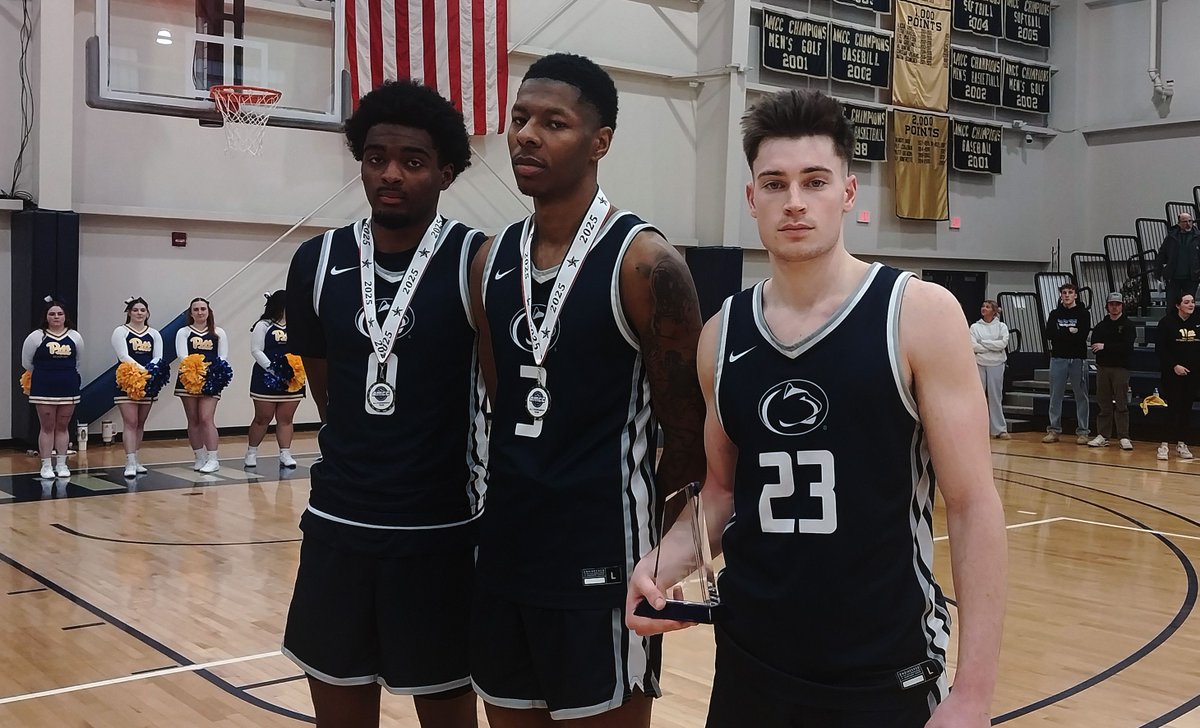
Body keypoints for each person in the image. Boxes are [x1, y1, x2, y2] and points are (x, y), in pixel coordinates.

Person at [626, 89, 1007, 728]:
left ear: (848, 193)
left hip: (883, 667)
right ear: (752, 198)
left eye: (815, 181)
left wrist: (974, 692)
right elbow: (722, 493)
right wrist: (658, 565)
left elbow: (972, 506)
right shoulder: (721, 335)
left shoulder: (918, 314)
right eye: (775, 184)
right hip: (751, 665)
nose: (795, 201)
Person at [467, 53, 706, 726]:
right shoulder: (488, 260)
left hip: (603, 556)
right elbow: (501, 402)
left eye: (554, 123)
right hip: (507, 549)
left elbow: (687, 434)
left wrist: (658, 552)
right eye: (519, 119)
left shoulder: (646, 264)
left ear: (600, 142)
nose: (526, 136)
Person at [282, 80, 486, 728]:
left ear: (446, 172)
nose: (390, 174)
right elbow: (328, 391)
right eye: (376, 158)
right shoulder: (316, 261)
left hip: (439, 533)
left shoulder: (477, 261)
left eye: (412, 161)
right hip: (339, 526)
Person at [21, 298, 84, 480]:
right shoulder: (36, 337)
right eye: (52, 314)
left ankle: (62, 464)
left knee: (63, 426)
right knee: (47, 426)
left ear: (65, 316)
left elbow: (78, 361)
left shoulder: (75, 336)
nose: (56, 317)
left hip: (68, 385)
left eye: (60, 314)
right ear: (46, 317)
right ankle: (46, 465)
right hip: (44, 386)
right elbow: (26, 362)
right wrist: (46, 373)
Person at [245, 290, 305, 469]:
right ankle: (251, 452)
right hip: (267, 376)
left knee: (286, 418)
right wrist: (273, 369)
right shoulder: (263, 325)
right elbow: (256, 350)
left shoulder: (298, 324)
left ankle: (285, 454)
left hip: (292, 378)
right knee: (262, 418)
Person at [174, 297, 229, 474]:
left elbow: (222, 357)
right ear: (191, 313)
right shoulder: (183, 332)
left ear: (208, 311)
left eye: (203, 309)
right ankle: (199, 457)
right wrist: (195, 371)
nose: (199, 312)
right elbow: (182, 356)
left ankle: (213, 459)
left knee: (206, 418)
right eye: (196, 309)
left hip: (211, 379)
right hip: (188, 379)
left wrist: (208, 372)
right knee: (193, 420)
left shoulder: (218, 332)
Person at [112, 296, 164, 477]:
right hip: (127, 381)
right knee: (131, 421)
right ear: (129, 312)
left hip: (148, 382)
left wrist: (149, 371)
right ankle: (129, 461)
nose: (139, 313)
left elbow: (158, 356)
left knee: (140, 422)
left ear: (148, 313)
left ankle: (136, 458)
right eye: (135, 310)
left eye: (143, 310)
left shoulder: (154, 333)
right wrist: (142, 370)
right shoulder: (121, 331)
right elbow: (123, 356)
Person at [1042, 283, 1091, 444]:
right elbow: (1049, 334)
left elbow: (1082, 335)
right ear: (1061, 295)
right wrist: (1069, 331)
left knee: (1081, 395)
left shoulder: (1083, 313)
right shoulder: (1054, 313)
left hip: (1077, 359)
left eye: (1070, 292)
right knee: (1055, 395)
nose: (1067, 295)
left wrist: (1061, 333)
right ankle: (1054, 430)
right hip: (1058, 358)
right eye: (1064, 293)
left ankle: (1083, 431)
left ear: (1075, 295)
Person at [1155, 292, 1200, 461]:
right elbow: (1160, 349)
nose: (1191, 305)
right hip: (1172, 374)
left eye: (1192, 302)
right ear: (1177, 305)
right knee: (1173, 407)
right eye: (1186, 302)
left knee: (1186, 409)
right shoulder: (1166, 323)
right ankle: (1164, 444)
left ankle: (1182, 444)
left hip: (1192, 375)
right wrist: (1174, 365)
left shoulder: (1197, 322)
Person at [1088, 293, 1136, 451]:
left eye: (1117, 304)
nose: (1114, 307)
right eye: (1111, 304)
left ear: (1122, 306)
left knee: (1121, 403)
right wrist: (1111, 347)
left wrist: (1106, 346)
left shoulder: (1128, 325)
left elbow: (1127, 348)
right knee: (1104, 402)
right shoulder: (1101, 326)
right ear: (1107, 306)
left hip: (1121, 368)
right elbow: (1095, 346)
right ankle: (1103, 435)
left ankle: (1124, 436)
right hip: (1103, 367)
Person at [971, 299, 1010, 440]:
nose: (984, 308)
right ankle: (977, 429)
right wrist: (992, 346)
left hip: (997, 363)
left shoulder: (1001, 326)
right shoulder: (975, 327)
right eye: (983, 306)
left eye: (987, 307)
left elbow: (1002, 344)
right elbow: (973, 346)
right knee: (978, 397)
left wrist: (983, 343)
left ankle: (999, 429)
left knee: (995, 396)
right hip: (980, 363)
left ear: (994, 311)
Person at [1158, 212, 1199, 308]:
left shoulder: (1197, 237)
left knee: (1188, 305)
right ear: (1179, 223)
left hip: (1191, 278)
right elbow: (1162, 254)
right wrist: (1159, 273)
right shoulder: (1171, 237)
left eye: (1190, 221)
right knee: (1171, 305)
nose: (1188, 224)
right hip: (1174, 277)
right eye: (1185, 221)